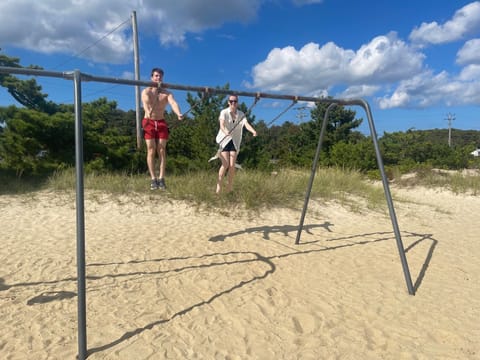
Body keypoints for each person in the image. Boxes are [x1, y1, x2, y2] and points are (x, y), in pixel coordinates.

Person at [141, 68, 183, 190]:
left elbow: (173, 103)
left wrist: (178, 113)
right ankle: (153, 179)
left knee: (161, 149)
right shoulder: (146, 91)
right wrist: (148, 111)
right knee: (151, 149)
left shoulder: (166, 93)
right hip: (148, 121)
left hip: (161, 122)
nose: (158, 78)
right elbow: (146, 102)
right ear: (151, 77)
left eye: (160, 76)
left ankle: (161, 178)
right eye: (156, 76)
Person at [215, 94, 257, 194]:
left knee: (232, 165)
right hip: (224, 140)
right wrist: (226, 132)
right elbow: (221, 125)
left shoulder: (241, 114)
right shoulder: (224, 112)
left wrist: (253, 131)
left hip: (234, 141)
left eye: (235, 101)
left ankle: (229, 188)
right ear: (228, 102)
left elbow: (246, 124)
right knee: (225, 164)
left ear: (237, 102)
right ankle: (218, 187)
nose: (233, 103)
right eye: (231, 101)